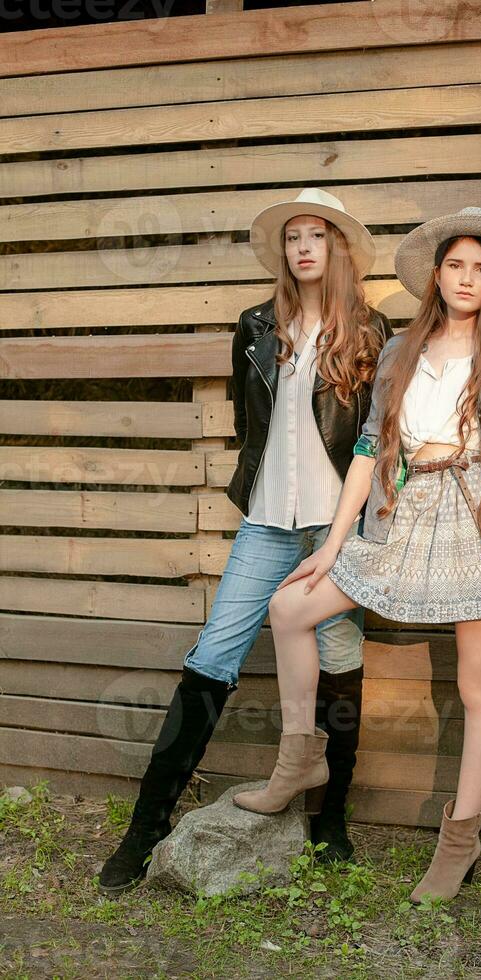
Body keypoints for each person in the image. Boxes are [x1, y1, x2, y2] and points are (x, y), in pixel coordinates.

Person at [231, 206, 481, 902]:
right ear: (437, 274)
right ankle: (298, 762)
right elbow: (371, 449)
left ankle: (459, 843)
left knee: (476, 688)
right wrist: (334, 545)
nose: (467, 278)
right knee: (289, 607)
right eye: (456, 265)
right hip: (402, 517)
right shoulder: (402, 350)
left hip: (479, 522)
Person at [98, 187, 392, 894]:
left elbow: (380, 438)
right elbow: (249, 425)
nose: (303, 246)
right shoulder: (256, 326)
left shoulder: (371, 331)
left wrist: (352, 525)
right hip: (266, 519)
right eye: (293, 236)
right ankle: (145, 827)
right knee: (214, 652)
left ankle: (330, 819)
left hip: (335, 525)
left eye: (316, 234)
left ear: (338, 247)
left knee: (338, 654)